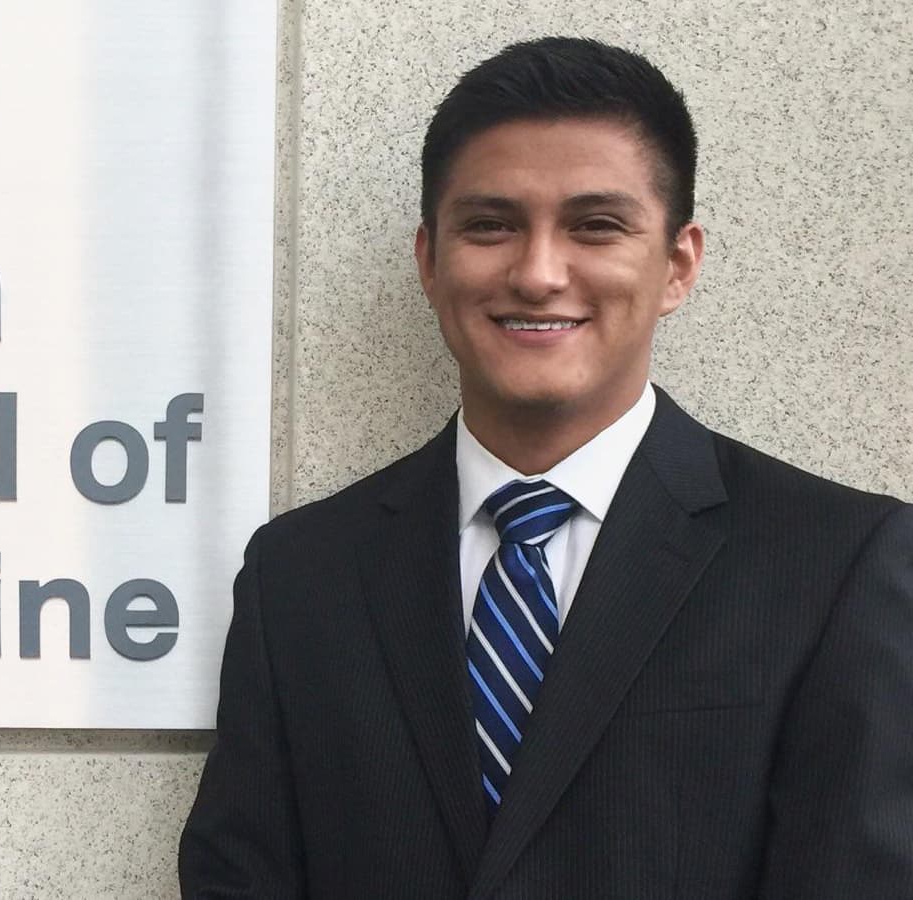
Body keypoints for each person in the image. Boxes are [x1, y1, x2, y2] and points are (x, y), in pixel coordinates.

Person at [179, 36, 913, 898]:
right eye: (490, 226)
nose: (537, 273)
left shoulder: (835, 561)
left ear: (677, 264)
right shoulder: (299, 574)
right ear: (429, 258)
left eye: (595, 226)